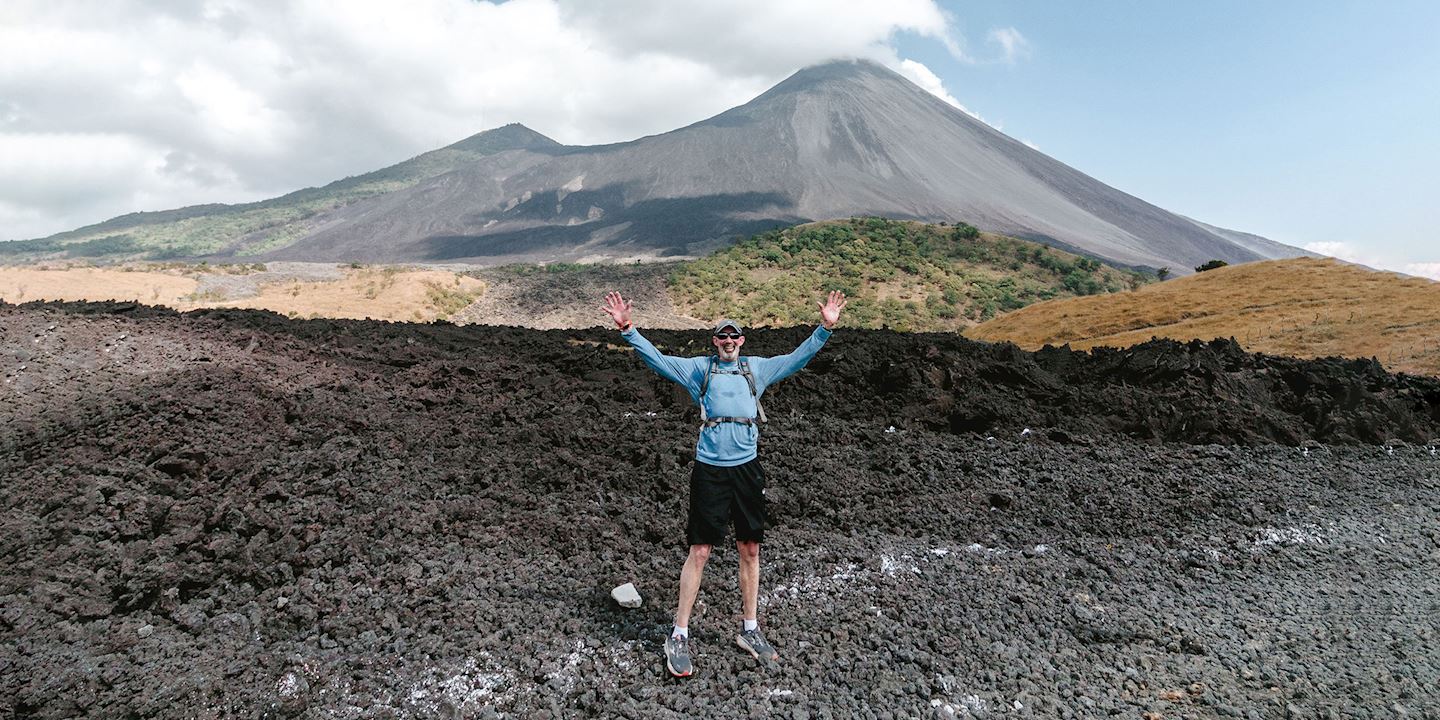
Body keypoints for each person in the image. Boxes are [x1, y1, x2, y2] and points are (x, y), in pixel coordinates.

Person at [600, 290, 847, 678]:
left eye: (734, 337)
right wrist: (628, 330)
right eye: (722, 337)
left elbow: (797, 358)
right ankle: (678, 634)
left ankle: (750, 629)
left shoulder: (757, 369)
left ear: (741, 341)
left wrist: (825, 329)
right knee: (700, 550)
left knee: (750, 548)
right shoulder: (701, 369)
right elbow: (659, 360)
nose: (728, 342)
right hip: (710, 470)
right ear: (714, 342)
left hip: (747, 470)